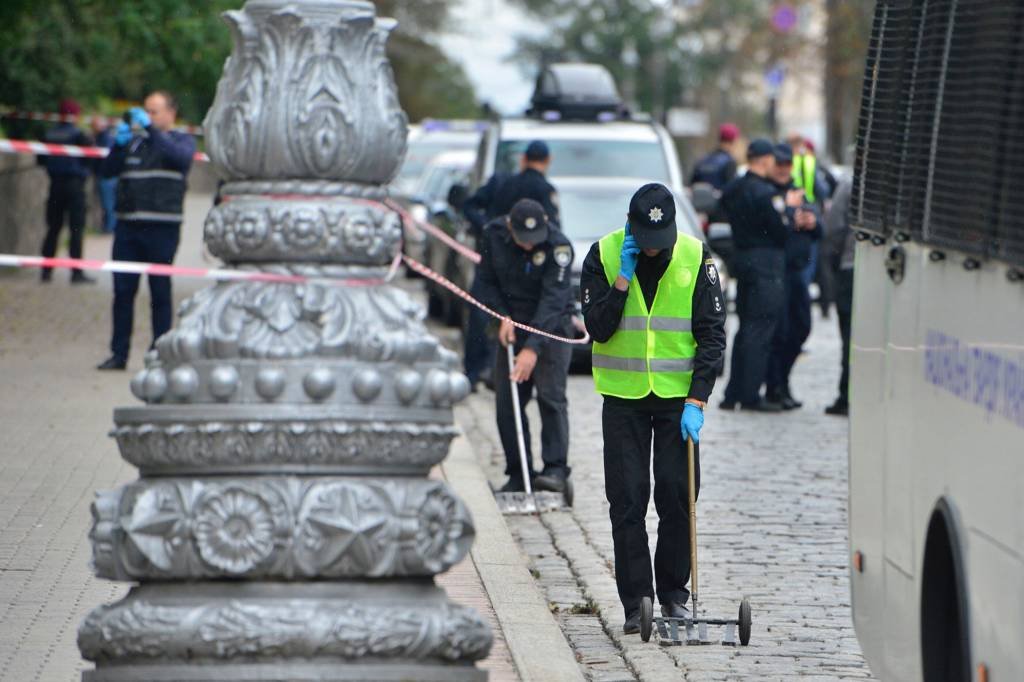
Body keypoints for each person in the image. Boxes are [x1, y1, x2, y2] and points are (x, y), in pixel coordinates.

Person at [580, 182, 726, 633]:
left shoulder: (696, 257)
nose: (653, 252)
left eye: (659, 245)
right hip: (623, 398)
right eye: (645, 244)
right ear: (631, 228)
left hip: (677, 400)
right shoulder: (602, 256)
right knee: (627, 500)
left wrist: (698, 398)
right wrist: (621, 280)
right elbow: (598, 329)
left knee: (677, 496)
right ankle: (636, 602)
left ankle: (673, 596)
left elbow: (712, 334)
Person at [474, 198, 574, 493]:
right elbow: (485, 282)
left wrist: (532, 348)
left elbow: (553, 300)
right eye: (523, 240)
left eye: (534, 240)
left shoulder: (559, 248)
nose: (529, 246)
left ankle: (555, 471)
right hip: (511, 325)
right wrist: (500, 315)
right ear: (509, 227)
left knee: (551, 397)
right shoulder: (493, 235)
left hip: (551, 328)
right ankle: (519, 473)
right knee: (509, 402)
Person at [96, 91, 196, 370]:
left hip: (162, 228)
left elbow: (179, 159)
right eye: (146, 112)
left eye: (154, 112)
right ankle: (118, 354)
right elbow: (106, 172)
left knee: (160, 292)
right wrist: (118, 146)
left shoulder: (181, 140)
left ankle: (159, 352)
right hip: (128, 227)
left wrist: (151, 131)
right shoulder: (134, 143)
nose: (148, 117)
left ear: (170, 113)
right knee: (123, 292)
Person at [461, 140, 560, 390]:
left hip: (493, 258)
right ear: (547, 162)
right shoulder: (545, 190)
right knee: (516, 318)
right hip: (526, 269)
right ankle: (504, 375)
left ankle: (475, 373)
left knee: (483, 313)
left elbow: (469, 206)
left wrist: (485, 228)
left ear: (523, 159)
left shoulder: (502, 182)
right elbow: (554, 233)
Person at [719, 139, 802, 411]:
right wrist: (790, 211)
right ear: (765, 161)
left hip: (743, 260)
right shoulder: (766, 194)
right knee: (761, 330)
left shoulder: (734, 189)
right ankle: (751, 394)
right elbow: (781, 230)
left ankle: (733, 393)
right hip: (767, 265)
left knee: (745, 328)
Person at [764, 143, 822, 409]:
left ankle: (783, 381)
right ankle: (775, 386)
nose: (784, 170)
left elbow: (820, 227)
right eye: (779, 164)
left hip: (798, 269)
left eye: (787, 165)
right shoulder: (768, 192)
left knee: (801, 327)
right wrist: (789, 215)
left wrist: (811, 222)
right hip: (778, 270)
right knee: (780, 331)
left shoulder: (797, 192)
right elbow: (773, 229)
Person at [39, 98, 94, 284]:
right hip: (74, 187)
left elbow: (41, 160)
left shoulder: (49, 134)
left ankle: (46, 272)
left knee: (53, 229)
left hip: (55, 185)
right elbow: (91, 159)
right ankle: (76, 273)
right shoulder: (80, 135)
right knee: (76, 229)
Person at [824, 176, 854, 416]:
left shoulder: (851, 184)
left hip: (851, 268)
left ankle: (848, 395)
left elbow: (834, 227)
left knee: (851, 338)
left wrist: (834, 259)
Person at [689, 123, 740, 190]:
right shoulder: (729, 163)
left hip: (698, 200)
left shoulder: (703, 160)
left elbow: (691, 186)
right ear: (733, 141)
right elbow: (731, 190)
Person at [91, 118, 118, 234]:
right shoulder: (108, 137)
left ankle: (110, 228)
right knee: (110, 204)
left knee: (108, 204)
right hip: (108, 175)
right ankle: (110, 226)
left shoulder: (103, 138)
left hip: (106, 176)